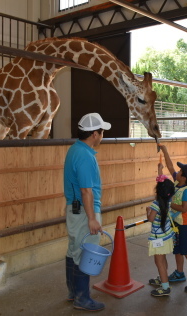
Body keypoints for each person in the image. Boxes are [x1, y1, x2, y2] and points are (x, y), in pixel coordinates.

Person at [64, 113, 111, 312]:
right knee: (84, 252)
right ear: (94, 133)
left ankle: (74, 292)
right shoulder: (84, 157)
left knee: (74, 249)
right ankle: (82, 298)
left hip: (75, 209)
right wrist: (92, 218)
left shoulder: (75, 149)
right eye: (101, 132)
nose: (102, 136)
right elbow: (86, 190)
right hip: (85, 211)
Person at [153, 144, 187, 292]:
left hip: (184, 224)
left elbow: (184, 208)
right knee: (177, 249)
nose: (177, 172)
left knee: (186, 250)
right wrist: (164, 150)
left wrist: (168, 203)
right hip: (175, 224)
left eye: (180, 171)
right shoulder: (177, 182)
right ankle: (179, 273)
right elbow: (170, 166)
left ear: (184, 177)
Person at [146, 162, 176, 297]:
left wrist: (148, 211)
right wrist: (159, 170)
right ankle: (162, 278)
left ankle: (165, 287)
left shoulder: (156, 204)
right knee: (163, 260)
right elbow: (163, 186)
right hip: (167, 237)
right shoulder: (168, 201)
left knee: (159, 262)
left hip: (158, 239)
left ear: (158, 192)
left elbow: (151, 219)